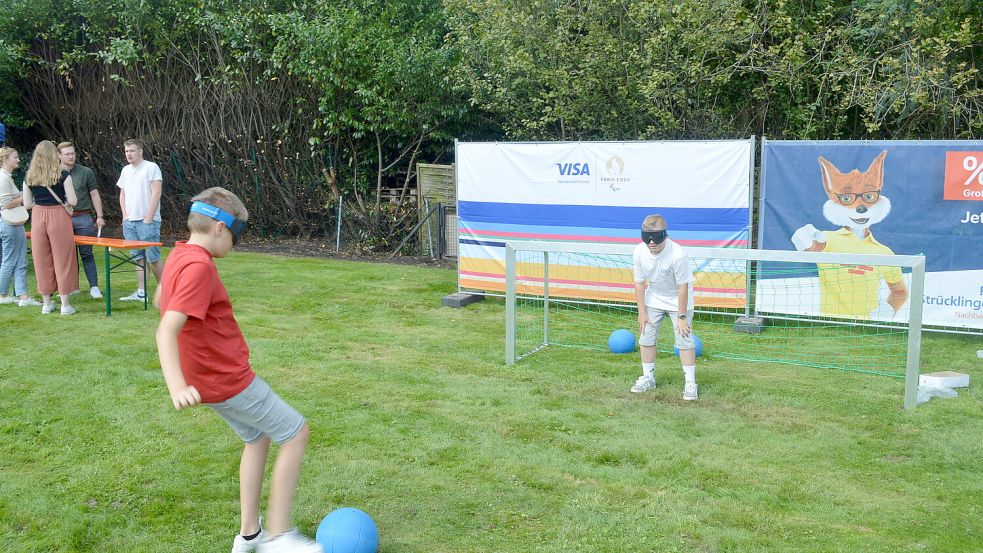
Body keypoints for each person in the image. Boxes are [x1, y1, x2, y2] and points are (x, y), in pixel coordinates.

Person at [154, 187, 322, 553]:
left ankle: (250, 535)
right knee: (295, 433)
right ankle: (280, 536)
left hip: (210, 378)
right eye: (237, 234)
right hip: (225, 379)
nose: (236, 243)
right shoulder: (199, 266)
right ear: (219, 229)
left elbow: (159, 300)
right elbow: (166, 328)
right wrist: (176, 385)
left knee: (257, 437)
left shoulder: (180, 255)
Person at [630, 214, 699, 400]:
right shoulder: (639, 252)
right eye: (646, 237)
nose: (651, 242)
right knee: (646, 337)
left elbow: (683, 286)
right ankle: (648, 377)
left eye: (656, 237)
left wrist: (682, 317)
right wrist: (641, 312)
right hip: (653, 299)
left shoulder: (678, 254)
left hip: (679, 301)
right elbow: (639, 282)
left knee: (684, 339)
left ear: (665, 235)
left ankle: (690, 383)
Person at [22, 140, 78, 315]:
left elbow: (27, 204)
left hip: (38, 216)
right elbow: (74, 201)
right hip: (58, 216)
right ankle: (65, 304)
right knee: (63, 259)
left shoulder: (29, 177)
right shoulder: (63, 175)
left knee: (41, 259)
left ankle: (46, 303)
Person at [117, 138, 163, 302]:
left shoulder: (151, 167)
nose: (129, 154)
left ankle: (167, 293)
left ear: (140, 151)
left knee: (153, 258)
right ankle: (141, 293)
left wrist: (149, 218)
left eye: (132, 150)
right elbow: (122, 193)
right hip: (130, 222)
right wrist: (124, 216)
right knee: (138, 258)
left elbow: (156, 192)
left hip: (147, 222)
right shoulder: (125, 170)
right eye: (127, 151)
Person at [59, 141, 105, 299]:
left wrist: (99, 216)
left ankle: (94, 287)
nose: (71, 156)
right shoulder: (54, 173)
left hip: (83, 217)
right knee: (66, 256)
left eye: (73, 153)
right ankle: (72, 287)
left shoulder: (86, 172)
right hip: (62, 219)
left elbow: (94, 194)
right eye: (67, 153)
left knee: (87, 254)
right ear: (59, 156)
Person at [0, 146, 42, 307]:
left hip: (14, 224)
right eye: (15, 157)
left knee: (20, 260)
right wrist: (23, 197)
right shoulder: (3, 178)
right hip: (9, 224)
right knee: (10, 260)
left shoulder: (6, 177)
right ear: (5, 159)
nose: (18, 160)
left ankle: (23, 296)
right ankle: (3, 295)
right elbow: (5, 204)